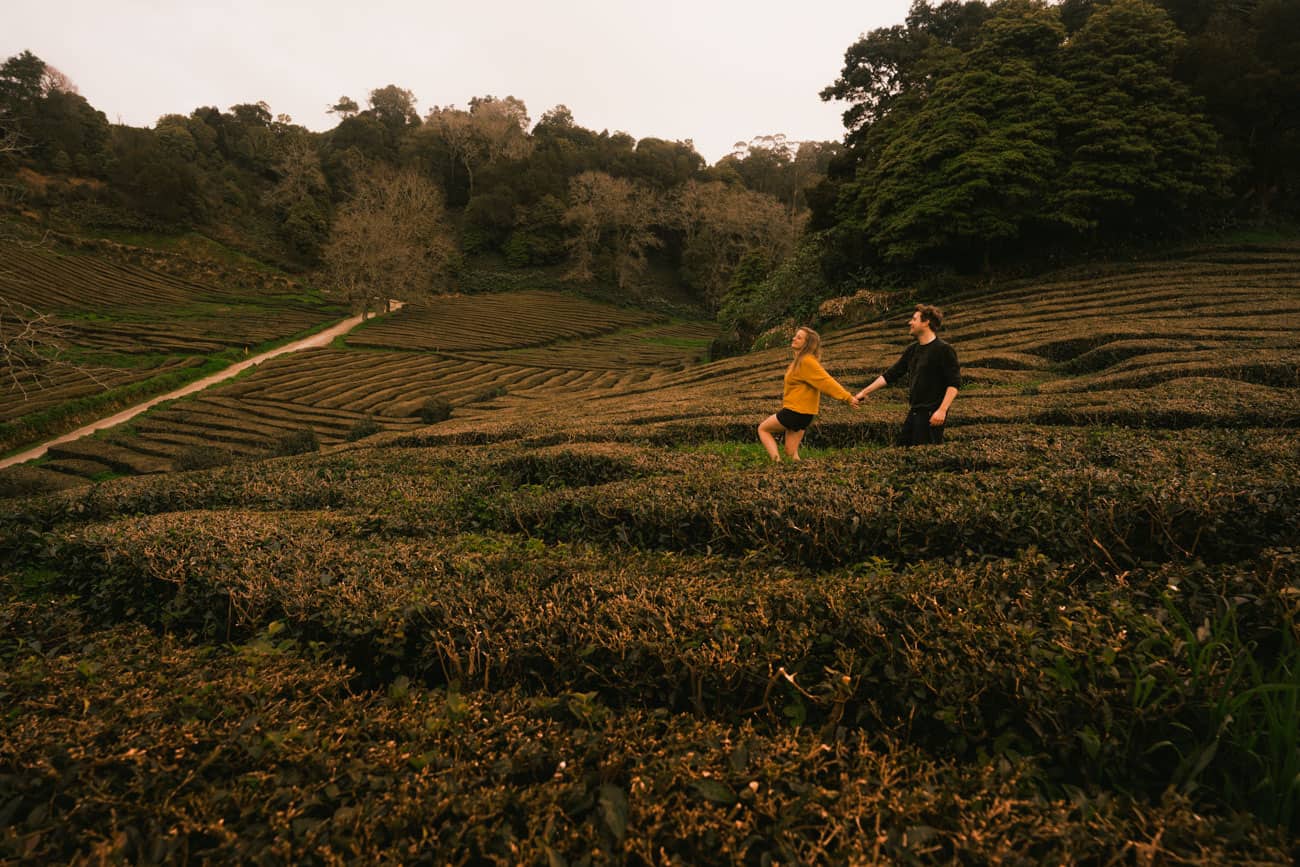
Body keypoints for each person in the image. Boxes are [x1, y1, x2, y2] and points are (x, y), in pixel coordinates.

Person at [855, 304, 961, 445]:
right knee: (902, 449)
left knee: (924, 456)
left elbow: (953, 384)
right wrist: (864, 392)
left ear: (926, 322)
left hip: (932, 414)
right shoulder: (912, 350)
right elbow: (891, 374)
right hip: (915, 412)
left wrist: (942, 411)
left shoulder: (943, 350)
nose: (909, 322)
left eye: (914, 319)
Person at [758, 326, 859, 462]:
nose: (794, 338)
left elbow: (826, 382)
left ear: (807, 344)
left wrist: (847, 397)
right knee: (791, 452)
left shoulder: (807, 362)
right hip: (804, 414)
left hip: (795, 412)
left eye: (799, 337)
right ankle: (799, 472)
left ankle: (777, 463)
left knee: (763, 429)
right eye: (795, 336)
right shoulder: (800, 361)